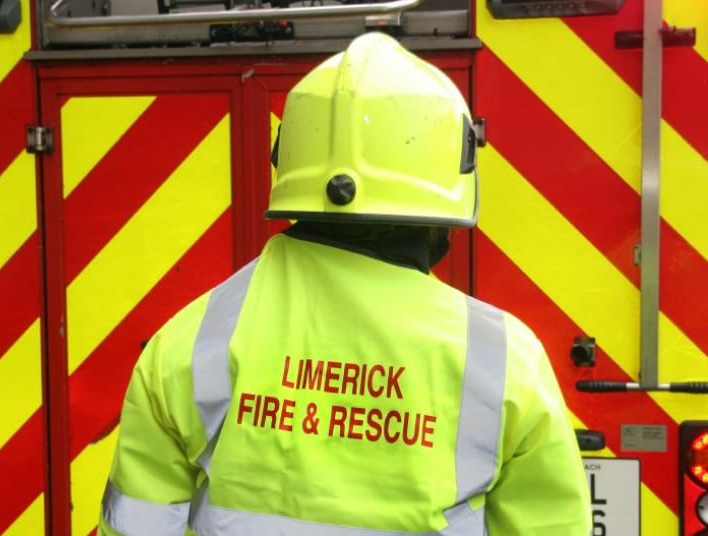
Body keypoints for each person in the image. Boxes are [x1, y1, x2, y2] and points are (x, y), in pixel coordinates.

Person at [98, 32, 591, 536]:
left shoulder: (186, 345)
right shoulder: (505, 361)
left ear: (287, 161)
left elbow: (137, 525)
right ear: (451, 180)